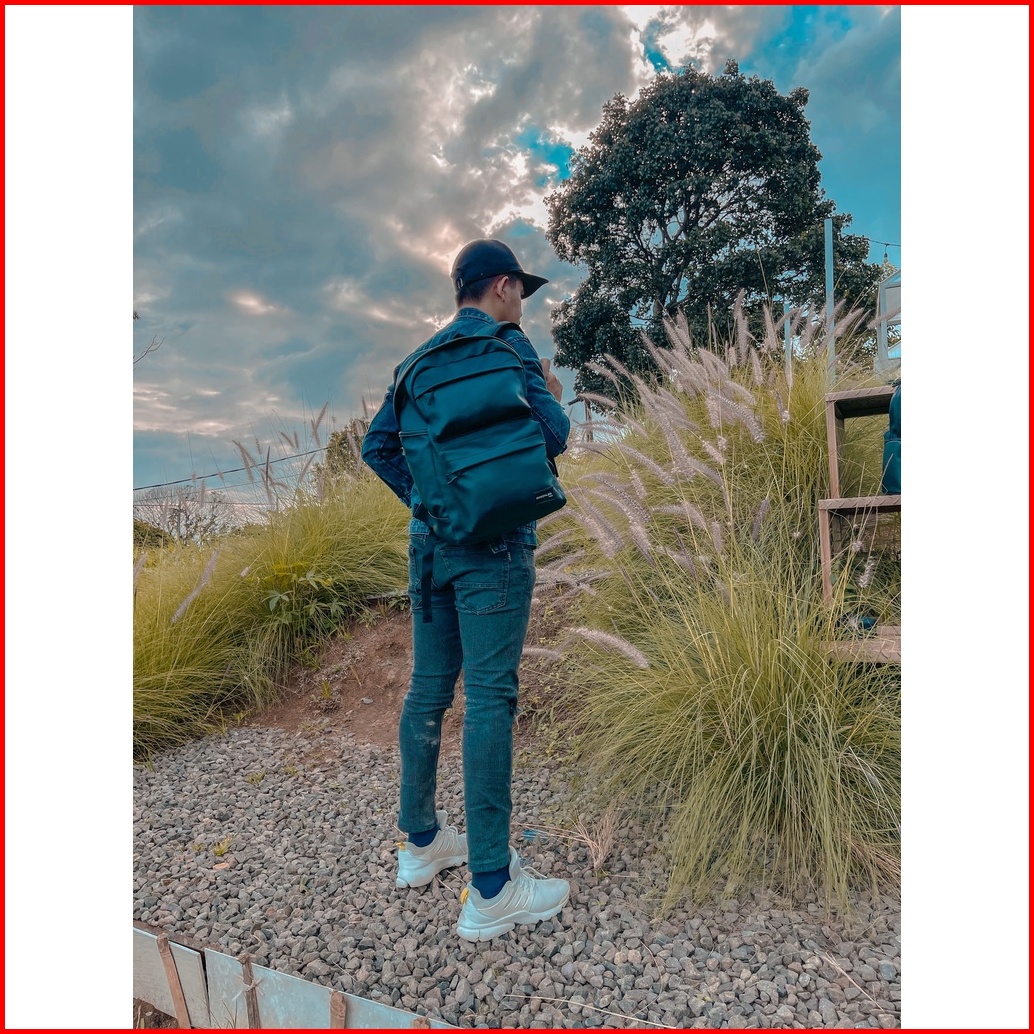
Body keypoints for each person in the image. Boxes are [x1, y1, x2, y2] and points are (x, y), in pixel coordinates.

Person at [361, 238, 572, 942]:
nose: (524, 304)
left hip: (430, 546)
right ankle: (492, 887)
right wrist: (549, 392)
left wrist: (434, 505)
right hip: (497, 547)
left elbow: (376, 448)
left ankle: (421, 843)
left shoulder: (414, 364)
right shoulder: (511, 349)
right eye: (522, 291)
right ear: (503, 286)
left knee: (428, 690)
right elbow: (555, 436)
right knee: (488, 698)